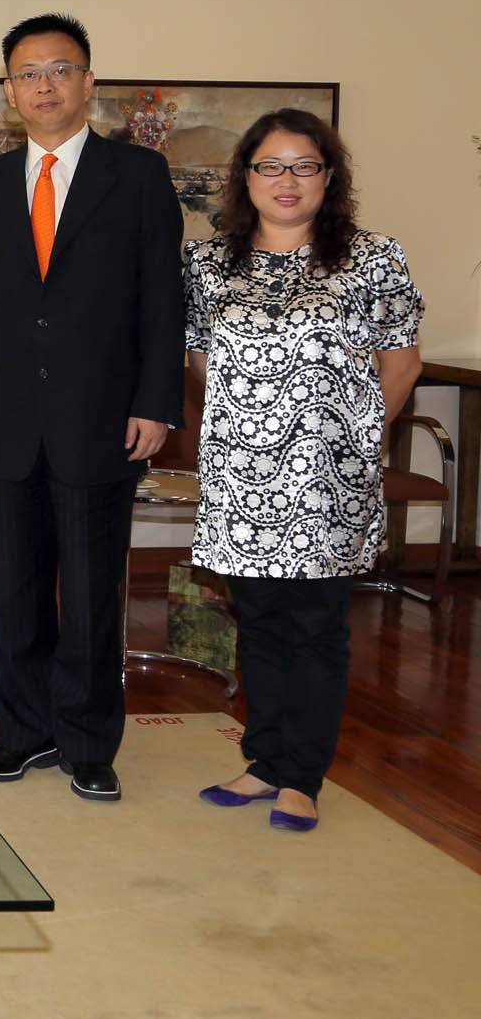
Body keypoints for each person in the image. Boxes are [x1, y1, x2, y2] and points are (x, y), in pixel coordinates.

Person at [0, 13, 183, 802]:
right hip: (10, 420)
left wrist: (157, 402)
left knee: (90, 593)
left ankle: (88, 742)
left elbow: (162, 298)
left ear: (88, 81)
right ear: (9, 90)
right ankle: (23, 734)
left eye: (60, 69)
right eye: (28, 73)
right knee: (15, 592)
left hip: (102, 417)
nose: (44, 84)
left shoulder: (138, 175)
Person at [185, 110, 421, 832]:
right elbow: (199, 358)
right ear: (246, 176)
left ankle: (302, 777)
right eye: (270, 166)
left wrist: (354, 438)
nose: (286, 181)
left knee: (316, 628)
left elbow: (401, 361)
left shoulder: (372, 257)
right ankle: (263, 761)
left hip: (328, 479)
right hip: (241, 477)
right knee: (257, 623)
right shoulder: (206, 262)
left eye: (304, 166)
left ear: (328, 176)